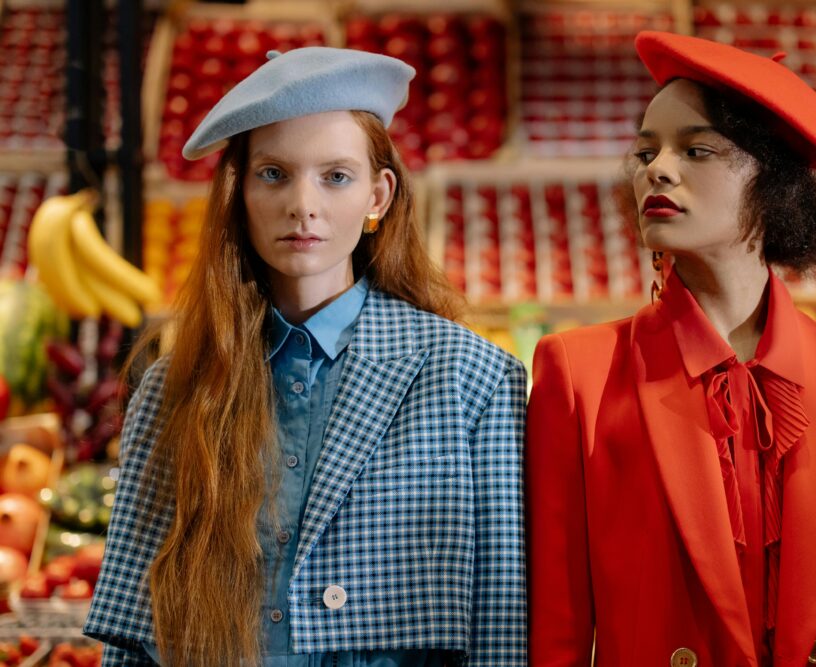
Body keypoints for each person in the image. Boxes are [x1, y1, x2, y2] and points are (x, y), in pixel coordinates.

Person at [84, 47, 526, 667]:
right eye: (273, 174)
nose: (302, 204)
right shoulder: (171, 389)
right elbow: (133, 633)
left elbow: (501, 629)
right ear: (238, 193)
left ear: (379, 195)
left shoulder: (469, 378)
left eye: (335, 176)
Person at [526, 32, 816, 667]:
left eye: (697, 149)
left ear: (774, 182)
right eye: (645, 150)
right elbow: (557, 629)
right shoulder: (579, 372)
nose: (656, 168)